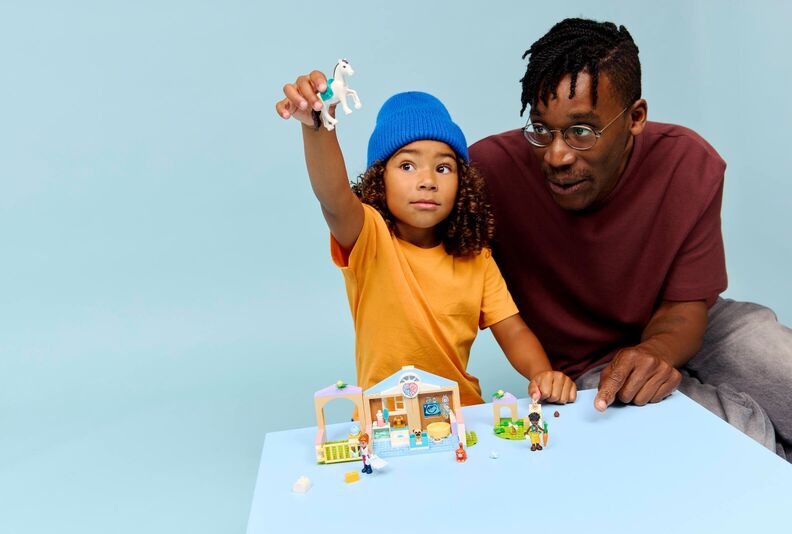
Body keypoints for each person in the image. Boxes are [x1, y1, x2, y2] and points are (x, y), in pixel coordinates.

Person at [469, 17, 792, 459]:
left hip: (698, 325)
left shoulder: (687, 163)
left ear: (636, 118)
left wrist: (655, 351)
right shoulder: (489, 171)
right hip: (592, 364)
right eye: (542, 129)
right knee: (739, 444)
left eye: (581, 132)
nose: (556, 155)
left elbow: (685, 307)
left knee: (778, 364)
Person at [276, 70, 578, 406]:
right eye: (407, 166)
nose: (427, 181)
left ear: (462, 183)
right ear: (380, 178)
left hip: (461, 415)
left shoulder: (476, 258)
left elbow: (514, 330)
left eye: (443, 168)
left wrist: (543, 374)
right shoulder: (369, 238)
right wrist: (317, 127)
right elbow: (333, 198)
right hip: (384, 421)